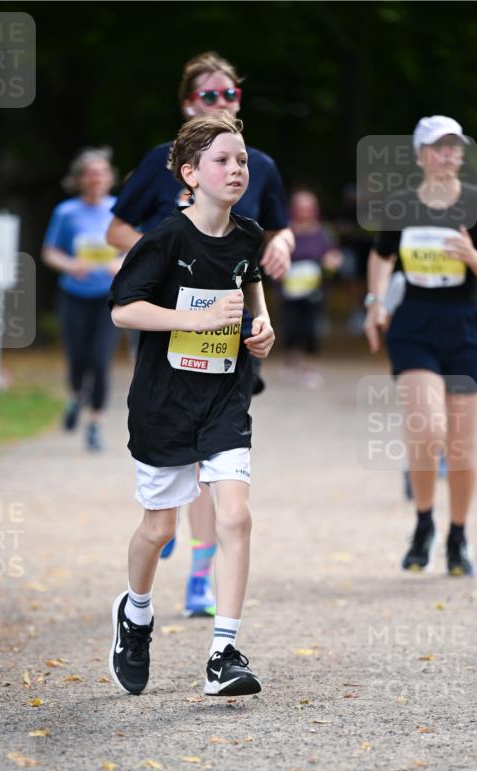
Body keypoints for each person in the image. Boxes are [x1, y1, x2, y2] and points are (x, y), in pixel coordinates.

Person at [107, 50, 293, 617]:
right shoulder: (162, 165)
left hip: (229, 338)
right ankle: (160, 541)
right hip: (172, 337)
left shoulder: (256, 164)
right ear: (189, 101)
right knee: (173, 482)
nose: (220, 102)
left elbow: (269, 239)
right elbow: (118, 230)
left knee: (219, 460)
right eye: (208, 95)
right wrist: (158, 259)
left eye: (229, 94)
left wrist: (279, 250)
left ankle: (201, 572)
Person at [364, 115, 477, 577]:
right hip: (415, 326)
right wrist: (375, 302)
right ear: (420, 154)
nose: (448, 154)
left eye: (455, 147)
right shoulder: (401, 204)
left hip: (467, 327)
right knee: (428, 432)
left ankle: (458, 536)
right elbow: (382, 255)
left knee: (462, 445)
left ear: (462, 155)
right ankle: (424, 522)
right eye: (438, 147)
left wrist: (472, 257)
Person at [42, 148, 123, 452]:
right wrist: (70, 265)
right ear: (79, 179)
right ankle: (76, 396)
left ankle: (95, 425)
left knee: (100, 361)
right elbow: (50, 251)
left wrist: (122, 263)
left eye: (101, 173)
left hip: (107, 296)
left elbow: (140, 249)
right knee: (77, 361)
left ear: (110, 177)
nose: (96, 178)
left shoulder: (120, 210)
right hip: (74, 296)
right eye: (90, 173)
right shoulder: (66, 212)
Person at [280, 189, 342, 386]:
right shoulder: (285, 230)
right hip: (289, 290)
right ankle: (291, 359)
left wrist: (332, 262)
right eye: (301, 208)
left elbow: (334, 254)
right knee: (291, 326)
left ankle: (311, 367)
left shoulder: (324, 232)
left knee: (312, 328)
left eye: (309, 208)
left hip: (314, 290)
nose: (305, 212)